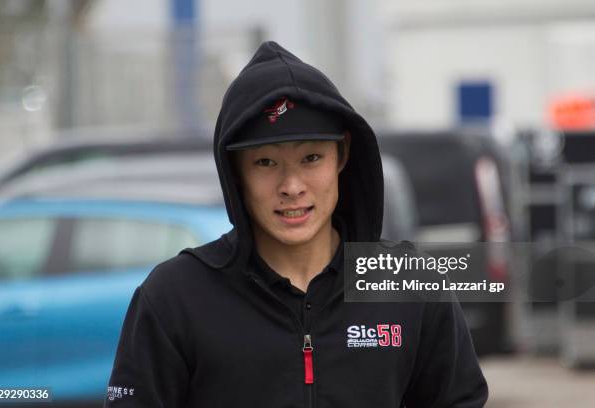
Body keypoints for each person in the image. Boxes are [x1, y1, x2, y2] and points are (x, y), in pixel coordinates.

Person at [104, 41, 488, 407]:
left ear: (342, 155)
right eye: (265, 163)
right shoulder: (175, 296)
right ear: (235, 172)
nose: (291, 187)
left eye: (311, 158)